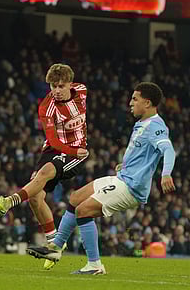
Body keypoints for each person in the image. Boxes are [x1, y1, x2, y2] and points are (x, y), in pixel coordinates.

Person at [27, 82, 176, 275]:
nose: (130, 102)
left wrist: (166, 174)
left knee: (83, 210)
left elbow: (168, 149)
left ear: (147, 103)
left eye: (135, 99)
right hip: (123, 177)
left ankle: (95, 265)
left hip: (131, 187)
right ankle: (55, 249)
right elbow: (144, 154)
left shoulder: (156, 126)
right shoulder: (142, 123)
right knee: (75, 198)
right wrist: (127, 165)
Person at [0, 63, 88, 269]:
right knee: (35, 196)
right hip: (54, 149)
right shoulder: (46, 108)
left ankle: (8, 202)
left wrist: (75, 151)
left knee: (46, 172)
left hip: (78, 151)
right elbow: (53, 140)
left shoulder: (82, 91)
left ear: (70, 84)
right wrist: (69, 150)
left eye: (60, 86)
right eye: (52, 86)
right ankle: (54, 245)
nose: (56, 91)